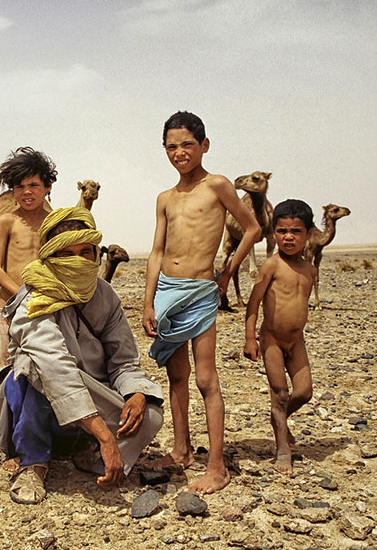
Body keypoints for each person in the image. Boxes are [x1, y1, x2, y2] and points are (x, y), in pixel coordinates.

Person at [0, 207, 164, 504]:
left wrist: (135, 391)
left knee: (149, 414)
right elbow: (54, 368)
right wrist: (106, 434)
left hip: (90, 394)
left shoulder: (105, 295)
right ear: (50, 256)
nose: (80, 261)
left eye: (86, 251)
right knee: (31, 367)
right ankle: (32, 461)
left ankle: (85, 449)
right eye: (67, 253)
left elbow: (123, 360)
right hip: (43, 390)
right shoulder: (32, 300)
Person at [143, 110, 260, 493]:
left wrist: (227, 272)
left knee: (207, 378)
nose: (180, 152)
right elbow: (157, 251)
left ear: (204, 145)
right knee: (177, 376)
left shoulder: (218, 186)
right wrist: (147, 303)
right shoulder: (164, 198)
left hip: (201, 293)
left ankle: (217, 465)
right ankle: (181, 450)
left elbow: (253, 228)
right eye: (172, 146)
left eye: (187, 144)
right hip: (167, 293)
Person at [243, 199, 316, 475]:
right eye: (282, 231)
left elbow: (302, 303)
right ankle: (282, 448)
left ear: (308, 234)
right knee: (280, 393)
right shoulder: (271, 266)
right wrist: (251, 338)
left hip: (296, 341)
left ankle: (279, 421)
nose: (288, 237)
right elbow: (253, 303)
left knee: (304, 392)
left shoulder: (310, 270)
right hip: (272, 338)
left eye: (296, 231)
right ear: (274, 233)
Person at [0, 147, 56, 369]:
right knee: (7, 374)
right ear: (13, 190)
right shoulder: (6, 221)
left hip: (45, 309)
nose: (27, 192)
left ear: (48, 186)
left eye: (34, 185)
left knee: (46, 370)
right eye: (20, 187)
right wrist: (22, 298)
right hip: (9, 308)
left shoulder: (54, 222)